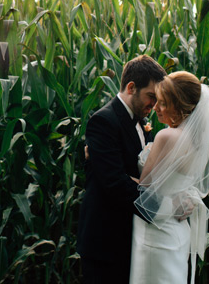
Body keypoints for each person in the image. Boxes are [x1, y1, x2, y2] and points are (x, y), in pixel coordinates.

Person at [77, 55, 167, 284]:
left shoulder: (140, 121)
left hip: (129, 238)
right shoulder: (104, 121)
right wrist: (162, 209)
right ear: (131, 87)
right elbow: (115, 184)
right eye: (150, 97)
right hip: (105, 240)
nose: (154, 106)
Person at [130, 71, 209, 284]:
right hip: (178, 232)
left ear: (181, 108)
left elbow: (143, 189)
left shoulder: (166, 136)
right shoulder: (199, 143)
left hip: (154, 235)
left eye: (164, 103)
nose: (156, 108)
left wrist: (102, 164)